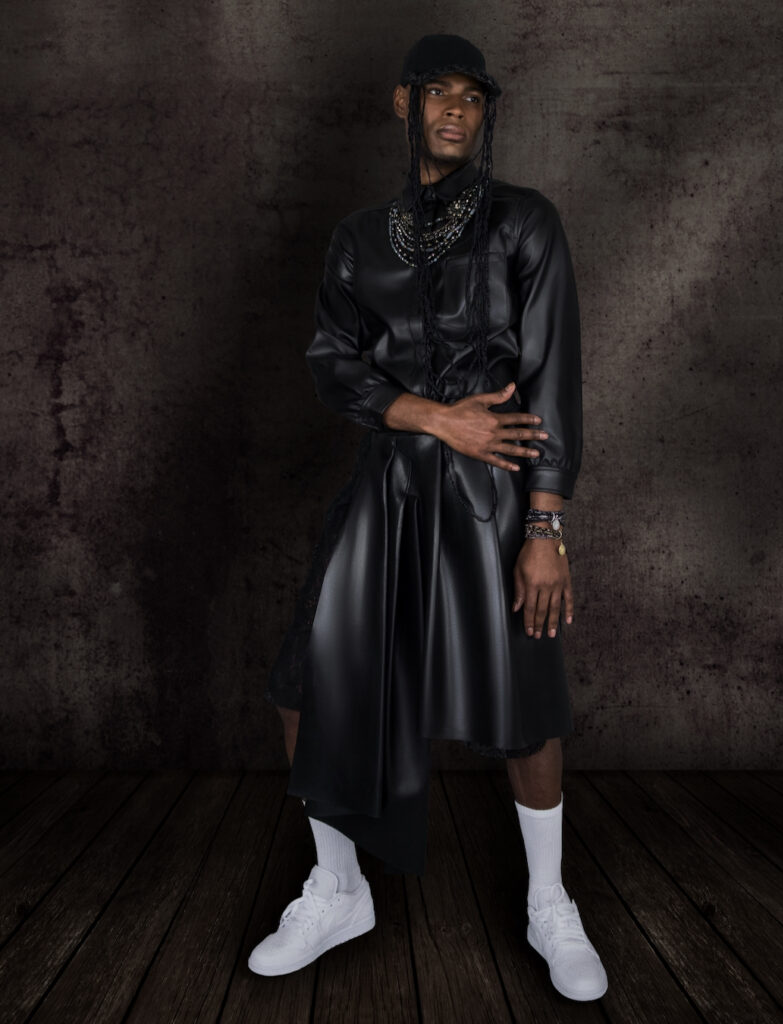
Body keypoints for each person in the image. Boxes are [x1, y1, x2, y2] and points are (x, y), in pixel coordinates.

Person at [249, 34, 608, 1002]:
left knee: (523, 702)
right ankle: (338, 888)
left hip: (496, 500)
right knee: (306, 682)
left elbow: (554, 375)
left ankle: (548, 902)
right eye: (435, 92)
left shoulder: (525, 222)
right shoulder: (359, 239)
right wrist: (432, 416)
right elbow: (333, 363)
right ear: (401, 104)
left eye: (471, 97)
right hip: (388, 488)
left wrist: (546, 528)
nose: (454, 109)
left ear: (484, 113)